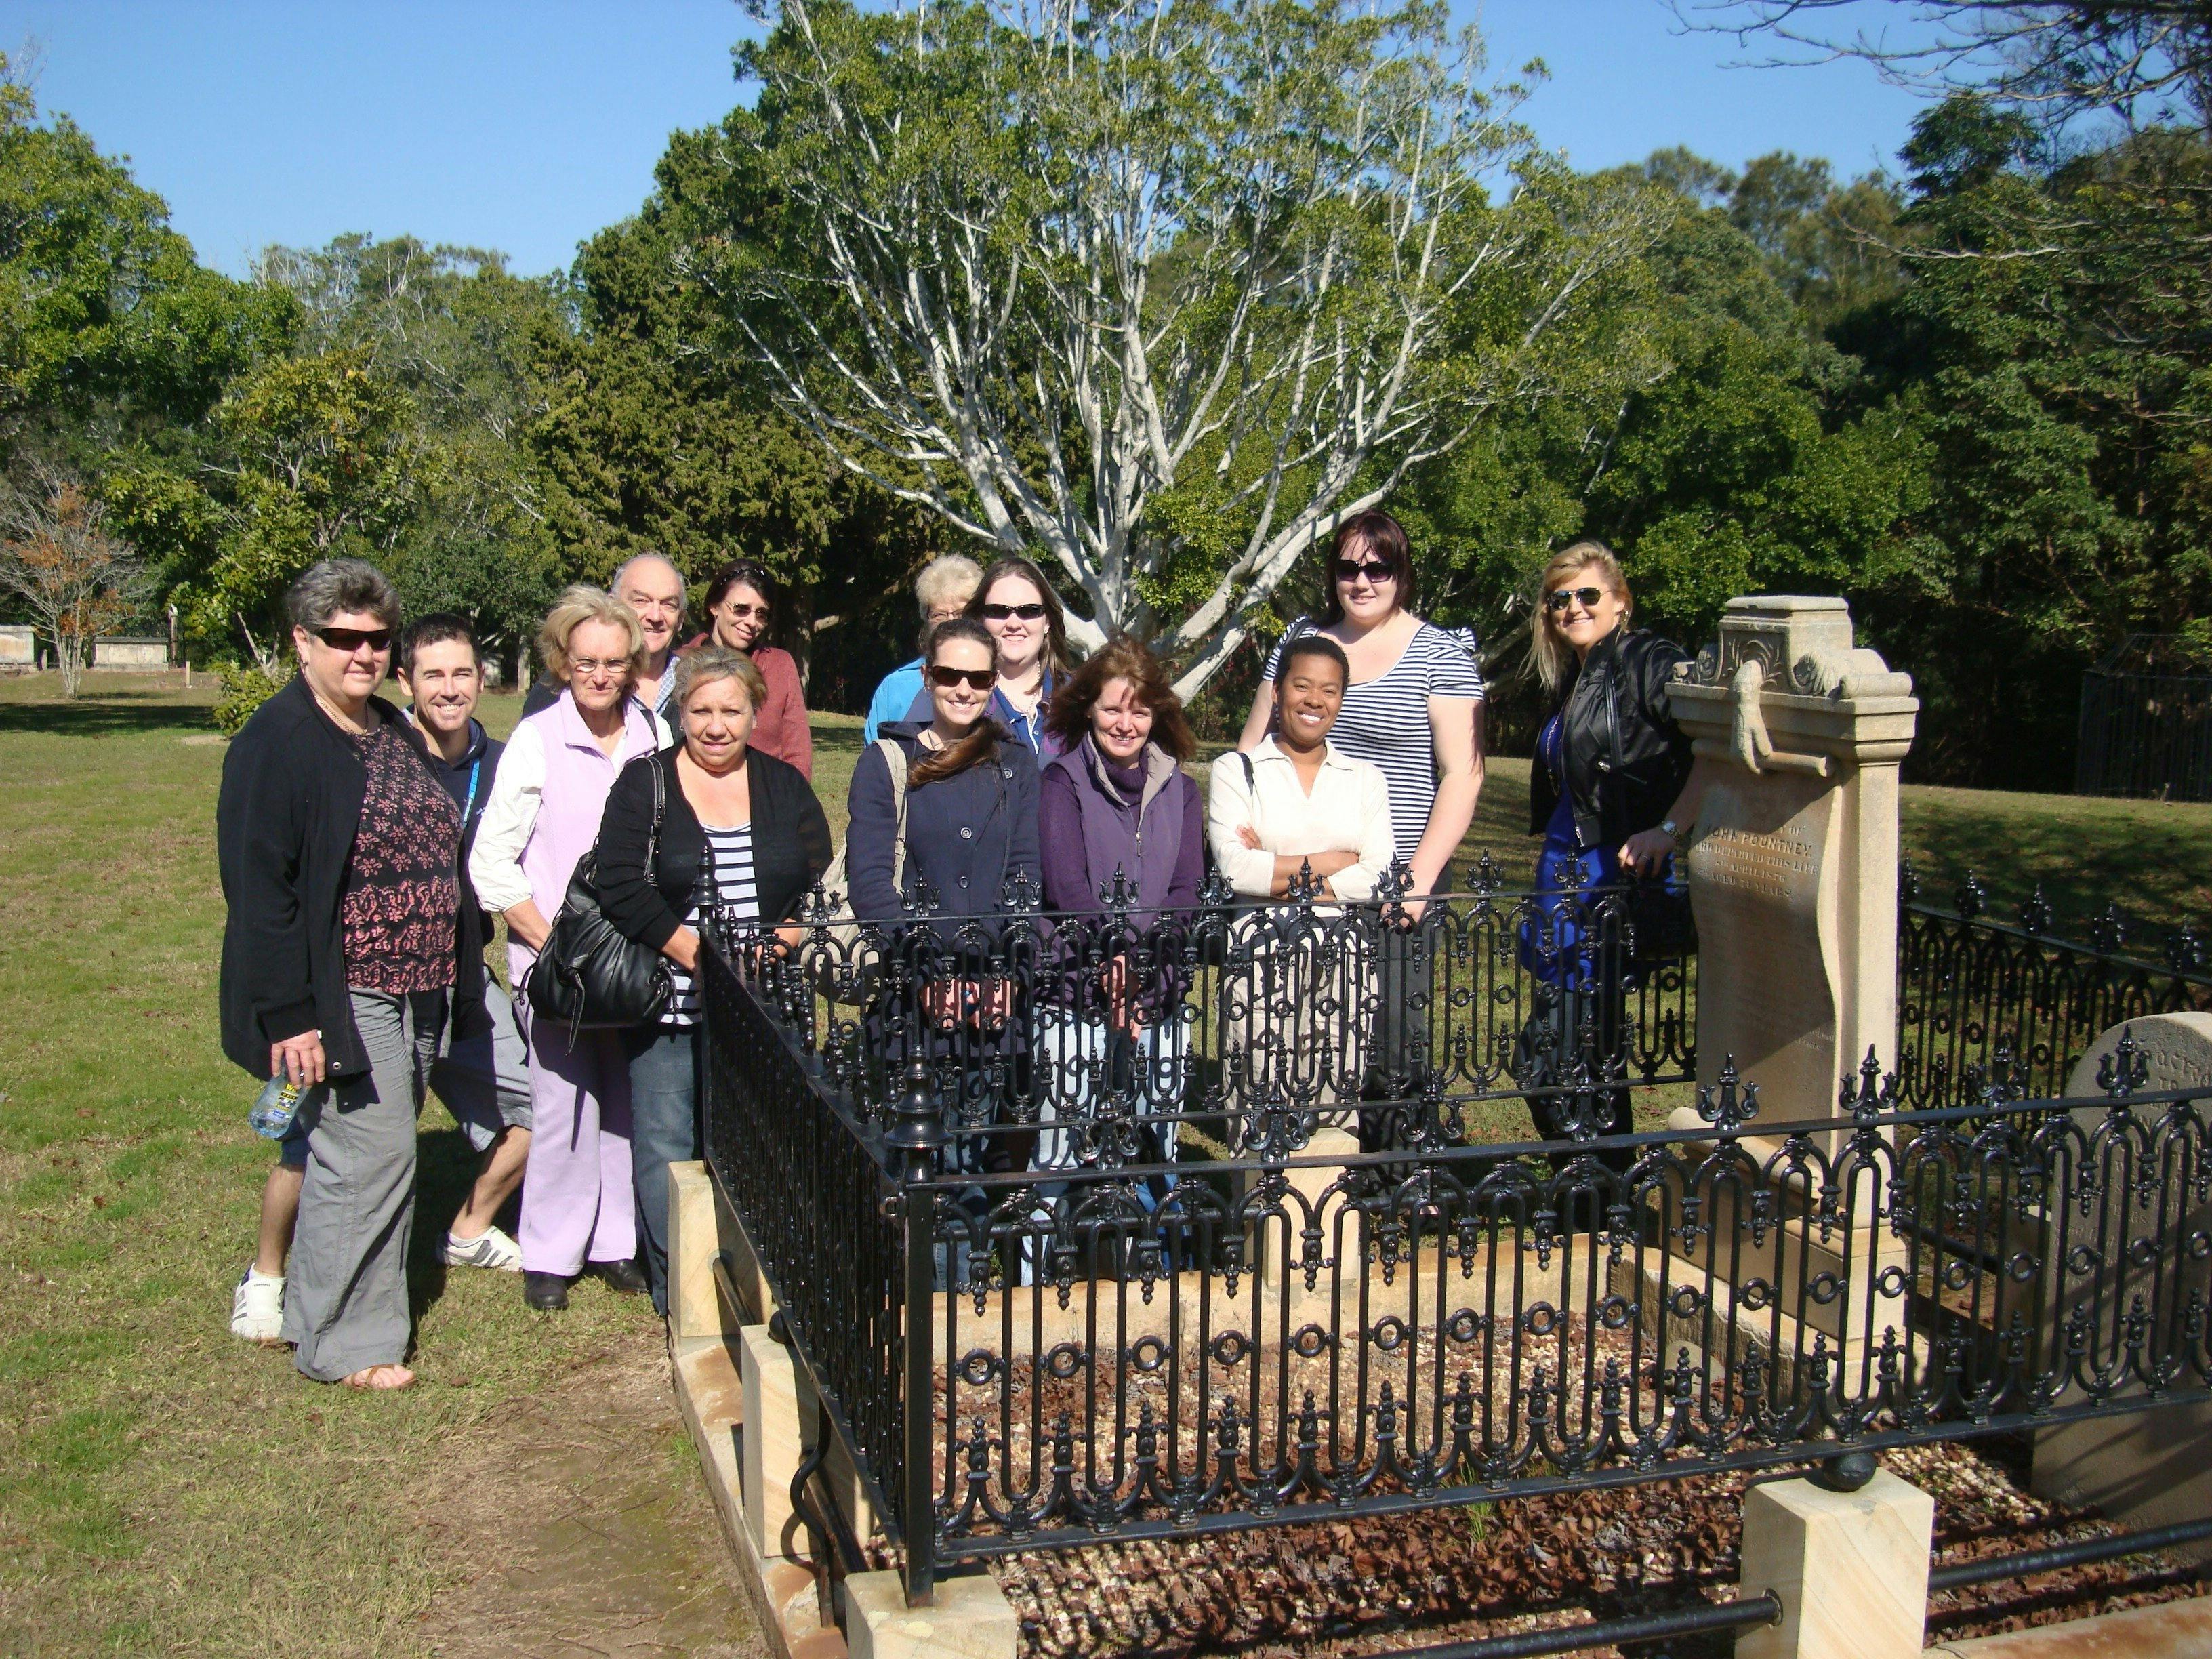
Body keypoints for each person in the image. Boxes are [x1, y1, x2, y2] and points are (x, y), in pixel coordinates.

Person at [218, 559, 485, 1390]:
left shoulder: (386, 728)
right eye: (343, 640)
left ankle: (315, 1315)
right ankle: (350, 1344)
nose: (363, 655)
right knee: (371, 1160)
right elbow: (262, 895)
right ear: (303, 642)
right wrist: (292, 1015)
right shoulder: (282, 742)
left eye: (377, 640)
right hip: (341, 991)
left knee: (359, 1161)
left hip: (416, 983)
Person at [594, 646, 832, 1317]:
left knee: (761, 1142)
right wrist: (694, 952)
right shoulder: (647, 782)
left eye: (732, 710)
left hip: (765, 1001)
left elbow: (818, 882)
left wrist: (781, 940)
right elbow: (618, 881)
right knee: (669, 1147)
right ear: (680, 712)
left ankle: (758, 1275)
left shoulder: (783, 787)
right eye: (702, 710)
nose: (717, 725)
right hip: (672, 999)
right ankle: (684, 1293)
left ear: (756, 713)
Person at [1235, 510, 1483, 1110]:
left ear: (1402, 573)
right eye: (1348, 567)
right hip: (1300, 867)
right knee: (1298, 1021)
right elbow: (1252, 746)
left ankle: (1400, 1172)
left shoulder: (1440, 652)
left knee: (1394, 1030)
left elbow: (1464, 773)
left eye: (1379, 567)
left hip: (1394, 871)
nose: (1362, 581)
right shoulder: (1302, 641)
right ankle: (1303, 1155)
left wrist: (1419, 879)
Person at [471, 586, 670, 1311]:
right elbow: (491, 862)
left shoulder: (654, 737)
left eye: (615, 663)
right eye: (586, 662)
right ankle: (551, 1254)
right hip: (557, 965)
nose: (600, 675)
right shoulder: (537, 739)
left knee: (625, 1103)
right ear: (563, 661)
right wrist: (556, 942)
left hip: (637, 959)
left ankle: (618, 1244)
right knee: (561, 1105)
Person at [1519, 539, 1707, 1148]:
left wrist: (1670, 830)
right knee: (1566, 1046)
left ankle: (1601, 1192)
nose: (1572, 607)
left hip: (1607, 880)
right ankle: (1594, 1189)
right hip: (1562, 877)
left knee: (1567, 1049)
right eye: (1559, 599)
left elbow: (1711, 750)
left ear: (1621, 602)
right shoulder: (1573, 677)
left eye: (1588, 595)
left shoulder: (1648, 660)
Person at [846, 617, 1042, 1154]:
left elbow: (1026, 874)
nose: (964, 688)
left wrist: (1006, 976)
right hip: (911, 998)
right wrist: (928, 973)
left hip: (991, 999)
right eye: (950, 674)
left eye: (979, 679)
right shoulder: (887, 761)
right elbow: (869, 883)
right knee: (918, 1169)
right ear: (928, 677)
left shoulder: (1017, 766)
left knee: (979, 1159)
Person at [1036, 636, 1206, 1186]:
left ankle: (1150, 1254)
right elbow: (1067, 887)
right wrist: (1113, 962)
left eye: (1139, 709)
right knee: (1062, 1142)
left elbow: (1186, 887)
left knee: (1156, 1143)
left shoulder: (1180, 789)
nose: (1125, 723)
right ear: (1089, 707)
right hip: (1077, 987)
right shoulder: (1062, 780)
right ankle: (1043, 1255)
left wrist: (1147, 967)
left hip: (1160, 988)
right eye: (1113, 708)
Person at [1209, 634, 1396, 1131]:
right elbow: (1235, 868)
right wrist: (1336, 860)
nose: (1315, 700)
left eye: (1330, 690)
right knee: (1256, 1086)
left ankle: (1327, 1199)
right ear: (1278, 693)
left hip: (1345, 957)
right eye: (1302, 685)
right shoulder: (1238, 770)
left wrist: (1279, 866)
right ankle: (1257, 1204)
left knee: (1336, 1093)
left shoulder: (1364, 778)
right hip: (1261, 951)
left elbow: (1380, 869)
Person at [522, 552, 689, 727]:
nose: (655, 616)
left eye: (669, 605)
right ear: (612, 604)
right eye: (641, 601)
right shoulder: (558, 686)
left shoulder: (697, 686)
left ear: (681, 619)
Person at [698, 560, 812, 779]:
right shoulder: (683, 663)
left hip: (767, 801)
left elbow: (799, 757)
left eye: (761, 614)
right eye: (741, 610)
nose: (752, 622)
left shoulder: (780, 667)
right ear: (714, 607)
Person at [863, 554, 983, 742]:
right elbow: (875, 759)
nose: (950, 623)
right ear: (926, 619)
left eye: (961, 613)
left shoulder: (988, 680)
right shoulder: (895, 688)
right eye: (939, 615)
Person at [965, 555, 1073, 762]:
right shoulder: (956, 699)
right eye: (998, 611)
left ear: (1047, 622)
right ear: (980, 620)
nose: (1014, 624)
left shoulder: (1083, 698)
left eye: (1028, 611)